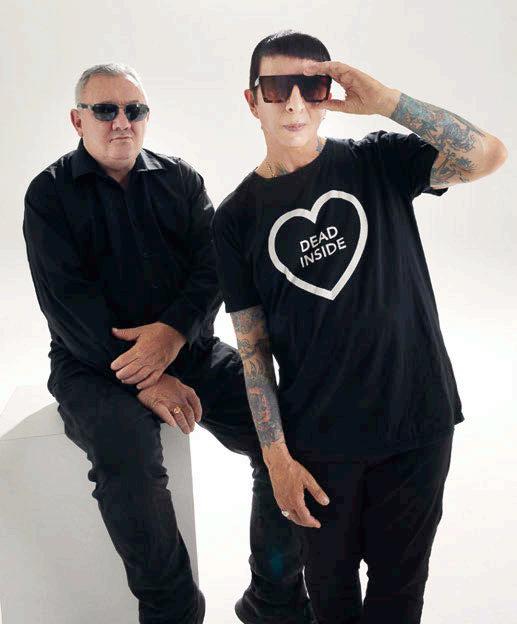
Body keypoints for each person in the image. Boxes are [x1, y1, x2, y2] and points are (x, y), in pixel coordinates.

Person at [211, 30, 508, 624]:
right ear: (253, 101)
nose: (295, 103)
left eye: (312, 86)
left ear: (329, 94)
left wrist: (389, 102)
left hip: (416, 426)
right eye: (278, 87)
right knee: (332, 603)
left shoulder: (377, 161)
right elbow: (253, 351)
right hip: (320, 446)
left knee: (399, 599)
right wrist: (276, 460)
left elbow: (488, 155)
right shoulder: (235, 218)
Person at [22, 62, 316, 624]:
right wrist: (147, 374)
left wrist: (173, 334)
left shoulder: (180, 180)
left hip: (191, 349)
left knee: (286, 430)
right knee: (127, 459)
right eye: (105, 110)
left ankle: (274, 600)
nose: (122, 121)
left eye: (134, 110)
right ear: (77, 120)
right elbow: (66, 303)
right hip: (92, 365)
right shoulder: (48, 195)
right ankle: (173, 610)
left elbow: (212, 270)